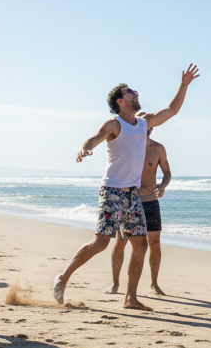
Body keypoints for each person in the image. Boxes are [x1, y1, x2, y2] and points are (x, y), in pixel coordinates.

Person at [53, 65, 200, 310]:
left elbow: (172, 110)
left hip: (132, 193)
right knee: (101, 243)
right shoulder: (114, 124)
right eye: (130, 91)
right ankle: (63, 277)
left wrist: (184, 84)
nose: (135, 93)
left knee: (140, 244)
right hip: (112, 190)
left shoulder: (144, 122)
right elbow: (94, 138)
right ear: (121, 101)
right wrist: (84, 148)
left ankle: (130, 298)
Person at [109, 121, 171, 296]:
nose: (147, 128)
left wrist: (163, 185)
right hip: (128, 201)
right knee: (120, 242)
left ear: (151, 128)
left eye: (149, 125)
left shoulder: (158, 149)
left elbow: (167, 171)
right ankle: (115, 284)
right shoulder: (127, 146)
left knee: (155, 243)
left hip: (150, 200)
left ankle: (154, 284)